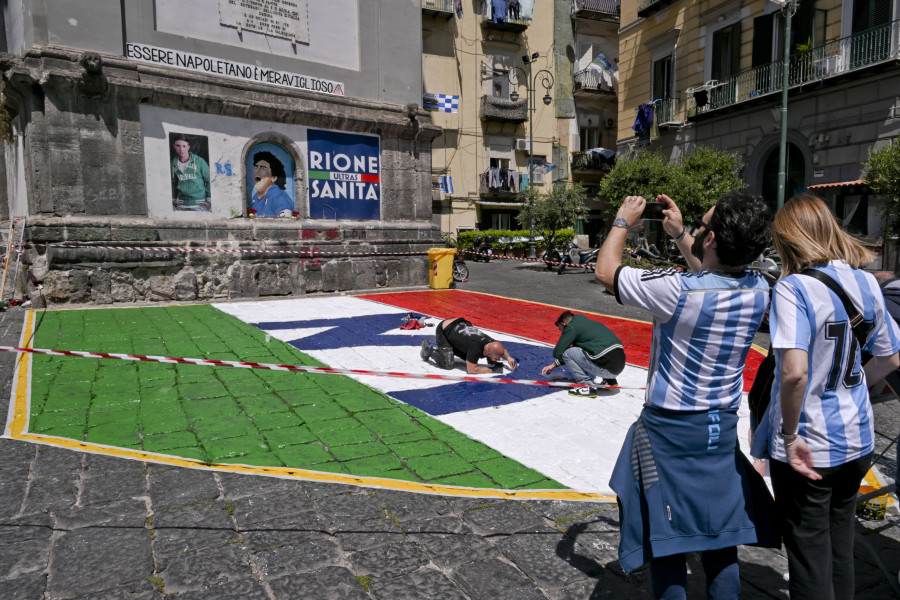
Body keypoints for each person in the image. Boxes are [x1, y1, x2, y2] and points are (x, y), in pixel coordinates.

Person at [595, 192, 779, 599]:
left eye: (702, 225)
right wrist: (682, 235)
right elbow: (714, 276)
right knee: (720, 532)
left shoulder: (676, 291)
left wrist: (623, 221)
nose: (696, 228)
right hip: (719, 427)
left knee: (668, 537)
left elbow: (607, 272)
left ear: (711, 239)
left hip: (670, 430)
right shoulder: (758, 288)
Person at [752, 194, 900, 600]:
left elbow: (795, 373)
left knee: (808, 556)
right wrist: (849, 386)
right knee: (840, 548)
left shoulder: (792, 288)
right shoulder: (867, 282)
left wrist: (788, 436)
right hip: (858, 437)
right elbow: (889, 358)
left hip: (810, 443)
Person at [540, 310, 625, 398]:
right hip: (619, 365)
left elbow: (557, 352)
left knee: (568, 352)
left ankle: (586, 386)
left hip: (607, 368)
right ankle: (610, 382)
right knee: (594, 351)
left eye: (559, 327)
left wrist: (567, 344)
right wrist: (553, 365)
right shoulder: (587, 324)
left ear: (564, 323)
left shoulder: (571, 327)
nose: (559, 330)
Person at [420, 317, 517, 374]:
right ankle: (429, 349)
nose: (499, 359)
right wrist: (491, 370)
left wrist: (509, 358)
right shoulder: (475, 348)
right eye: (497, 358)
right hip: (444, 329)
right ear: (488, 352)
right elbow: (472, 370)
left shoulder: (490, 342)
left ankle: (452, 346)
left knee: (489, 359)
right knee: (448, 364)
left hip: (460, 323)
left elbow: (501, 351)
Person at [171, 134, 211, 211]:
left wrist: (209, 201)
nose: (181, 149)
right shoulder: (173, 164)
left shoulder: (199, 161)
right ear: (174, 146)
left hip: (199, 204)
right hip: (181, 205)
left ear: (188, 147)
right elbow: (172, 183)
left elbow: (209, 181)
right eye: (178, 146)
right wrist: (173, 199)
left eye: (184, 146)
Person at [250, 151, 294, 217]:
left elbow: (285, 222)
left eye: (263, 168)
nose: (257, 170)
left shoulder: (278, 195)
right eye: (256, 167)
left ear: (273, 178)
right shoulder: (255, 198)